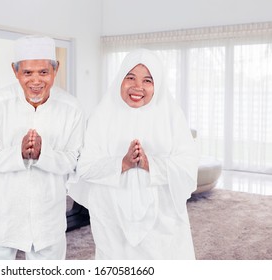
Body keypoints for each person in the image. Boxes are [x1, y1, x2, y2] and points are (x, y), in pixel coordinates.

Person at [67, 48, 199, 259]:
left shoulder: (171, 116)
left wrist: (150, 164)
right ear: (120, 79)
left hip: (162, 219)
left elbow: (188, 167)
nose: (137, 87)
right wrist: (123, 163)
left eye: (148, 80)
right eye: (130, 77)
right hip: (112, 216)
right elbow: (85, 167)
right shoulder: (102, 115)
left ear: (157, 85)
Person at [0, 35, 85, 260]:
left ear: (56, 69)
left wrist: (44, 154)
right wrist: (16, 153)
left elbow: (75, 159)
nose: (36, 81)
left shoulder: (71, 108)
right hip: (0, 216)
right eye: (27, 73)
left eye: (43, 72)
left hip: (47, 218)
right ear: (15, 71)